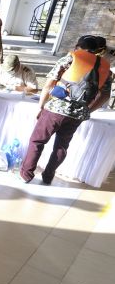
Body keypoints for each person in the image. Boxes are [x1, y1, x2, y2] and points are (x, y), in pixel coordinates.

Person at [20, 35, 112, 184]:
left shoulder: (70, 58)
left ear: (78, 46)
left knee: (37, 140)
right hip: (77, 115)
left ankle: (26, 174)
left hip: (55, 109)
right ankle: (48, 177)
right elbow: (105, 95)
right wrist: (88, 109)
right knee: (61, 146)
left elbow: (49, 84)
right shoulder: (106, 69)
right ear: (96, 50)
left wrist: (41, 106)